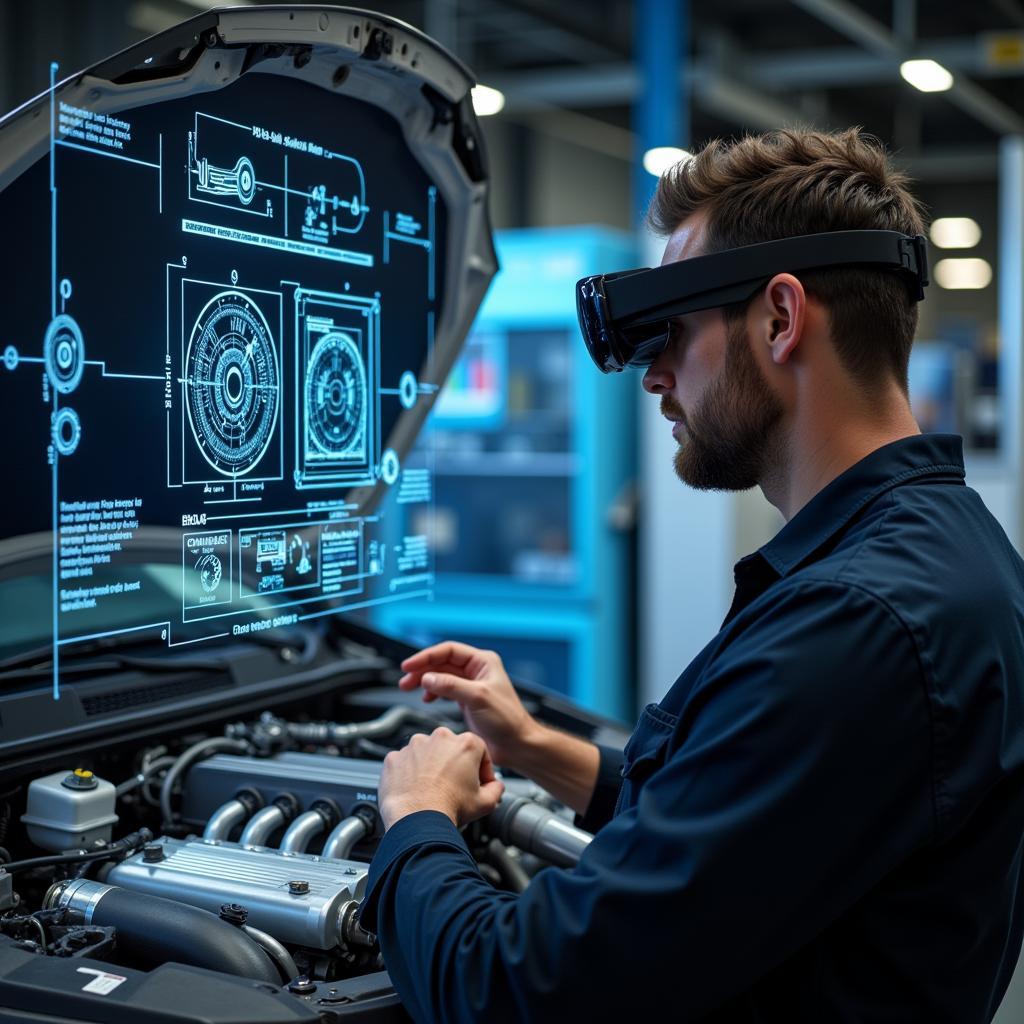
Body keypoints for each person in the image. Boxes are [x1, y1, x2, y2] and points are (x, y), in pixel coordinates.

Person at [357, 128, 1024, 1022]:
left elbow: (512, 989)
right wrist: (537, 748)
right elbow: (756, 830)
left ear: (781, 320)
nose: (655, 376)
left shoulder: (854, 624)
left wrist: (417, 821)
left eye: (671, 332)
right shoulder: (942, 552)